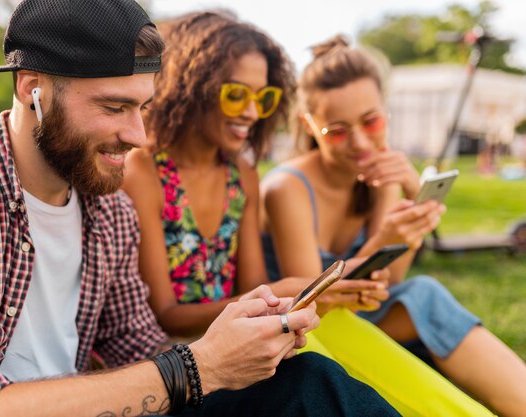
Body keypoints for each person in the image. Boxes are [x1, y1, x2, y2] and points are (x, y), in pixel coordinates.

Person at [0, 2, 402, 416]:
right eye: (114, 107)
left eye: (142, 107)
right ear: (33, 89)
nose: (138, 136)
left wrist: (237, 341)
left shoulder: (109, 215)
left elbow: (140, 347)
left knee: (309, 384)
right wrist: (201, 366)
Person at [123, 12, 494, 417]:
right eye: (236, 95)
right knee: (317, 351)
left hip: (244, 329)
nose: (251, 111)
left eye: (262, 99)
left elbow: (250, 288)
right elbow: (168, 316)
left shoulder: (240, 174)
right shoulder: (144, 171)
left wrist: (298, 292)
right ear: (191, 87)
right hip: (187, 356)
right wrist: (284, 289)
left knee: (331, 331)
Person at [260, 34, 526, 417]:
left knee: (421, 292)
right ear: (309, 125)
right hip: (314, 328)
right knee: (424, 296)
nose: (359, 142)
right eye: (337, 130)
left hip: (364, 314)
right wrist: (384, 239)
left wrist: (411, 222)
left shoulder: (385, 173)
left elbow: (392, 282)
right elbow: (313, 301)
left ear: (386, 111)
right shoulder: (288, 188)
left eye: (371, 121)